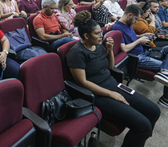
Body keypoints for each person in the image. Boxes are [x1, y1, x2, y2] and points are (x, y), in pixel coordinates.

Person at [67, 11, 160, 147]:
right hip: (96, 95)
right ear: (86, 36)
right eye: (97, 34)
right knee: (143, 126)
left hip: (113, 84)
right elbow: (83, 82)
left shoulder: (98, 45)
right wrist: (111, 94)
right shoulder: (76, 53)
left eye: (101, 32)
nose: (101, 36)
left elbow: (110, 66)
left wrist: (109, 50)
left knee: (154, 111)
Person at [113, 4, 168, 115]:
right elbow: (124, 48)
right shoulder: (118, 27)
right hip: (138, 58)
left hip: (145, 52)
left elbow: (131, 38)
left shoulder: (128, 24)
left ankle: (165, 73)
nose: (135, 22)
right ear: (129, 15)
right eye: (135, 19)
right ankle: (167, 99)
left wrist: (142, 36)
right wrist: (139, 41)